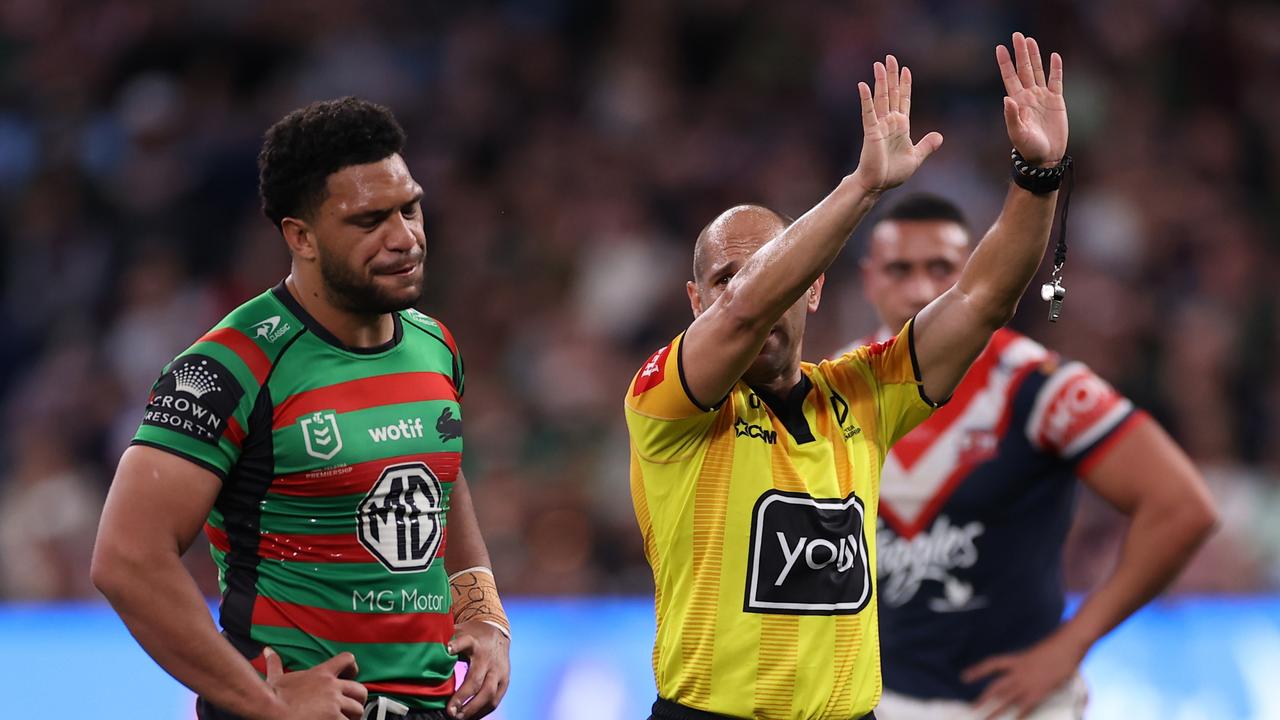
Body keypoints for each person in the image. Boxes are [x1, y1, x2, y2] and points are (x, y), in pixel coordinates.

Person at [626, 33, 1071, 720]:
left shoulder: (862, 393)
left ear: (812, 289)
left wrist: (1036, 175)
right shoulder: (666, 401)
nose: (752, 289)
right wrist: (863, 187)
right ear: (694, 302)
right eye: (722, 278)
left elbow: (983, 300)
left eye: (779, 271)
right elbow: (744, 313)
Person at [91, 97, 510, 720]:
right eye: (370, 221)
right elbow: (126, 559)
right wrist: (260, 699)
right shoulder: (228, 368)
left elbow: (438, 470)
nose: (405, 237)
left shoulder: (433, 343)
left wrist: (481, 609)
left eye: (410, 208)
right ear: (300, 236)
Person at [842, 190, 1217, 720]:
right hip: (878, 702)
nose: (921, 290)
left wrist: (1073, 643)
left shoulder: (1039, 386)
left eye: (941, 268)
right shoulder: (837, 386)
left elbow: (1183, 507)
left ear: (975, 273)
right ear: (868, 279)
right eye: (899, 270)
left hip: (1016, 706)